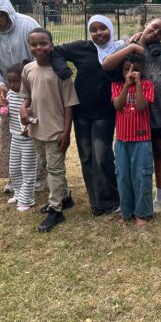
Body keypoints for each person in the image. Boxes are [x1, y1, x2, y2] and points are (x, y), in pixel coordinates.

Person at [0, 0, 69, 188]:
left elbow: (41, 54)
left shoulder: (27, 25)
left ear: (6, 10)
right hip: (10, 90)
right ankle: (17, 177)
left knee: (38, 131)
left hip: (35, 88)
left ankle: (41, 176)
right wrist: (0, 84)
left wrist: (33, 85)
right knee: (13, 134)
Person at [103, 18, 161, 214]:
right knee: (133, 158)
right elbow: (108, 65)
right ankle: (129, 198)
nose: (155, 33)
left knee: (159, 151)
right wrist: (131, 47)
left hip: (158, 111)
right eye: (154, 27)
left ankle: (159, 197)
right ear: (146, 24)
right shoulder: (127, 46)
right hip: (133, 116)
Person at [51, 15, 122, 216]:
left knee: (103, 155)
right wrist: (63, 71)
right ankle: (96, 202)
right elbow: (56, 51)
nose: (99, 33)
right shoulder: (82, 48)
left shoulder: (118, 49)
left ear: (110, 29)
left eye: (103, 28)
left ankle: (112, 198)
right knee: (87, 156)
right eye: (94, 29)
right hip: (81, 111)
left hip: (105, 112)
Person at [20, 28, 79, 232]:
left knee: (55, 169)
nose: (39, 47)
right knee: (46, 164)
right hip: (37, 128)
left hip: (56, 130)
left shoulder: (61, 73)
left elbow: (69, 104)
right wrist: (23, 109)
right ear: (29, 46)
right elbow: (27, 96)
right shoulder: (28, 69)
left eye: (43, 43)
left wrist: (66, 131)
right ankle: (64, 197)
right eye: (34, 44)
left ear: (51, 45)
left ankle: (56, 210)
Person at [112, 45, 155, 226]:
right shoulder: (116, 86)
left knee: (142, 176)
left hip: (141, 140)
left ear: (142, 71)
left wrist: (137, 85)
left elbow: (142, 106)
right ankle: (126, 211)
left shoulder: (147, 85)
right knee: (123, 176)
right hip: (122, 140)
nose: (130, 73)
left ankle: (142, 213)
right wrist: (126, 86)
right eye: (126, 70)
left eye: (136, 70)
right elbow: (118, 105)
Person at [4, 63, 37, 211]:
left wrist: (30, 127)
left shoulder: (32, 97)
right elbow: (6, 115)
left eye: (16, 81)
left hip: (30, 140)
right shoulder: (10, 94)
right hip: (15, 137)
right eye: (9, 82)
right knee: (14, 168)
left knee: (27, 169)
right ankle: (18, 193)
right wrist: (2, 108)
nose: (12, 85)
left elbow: (39, 116)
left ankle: (27, 199)